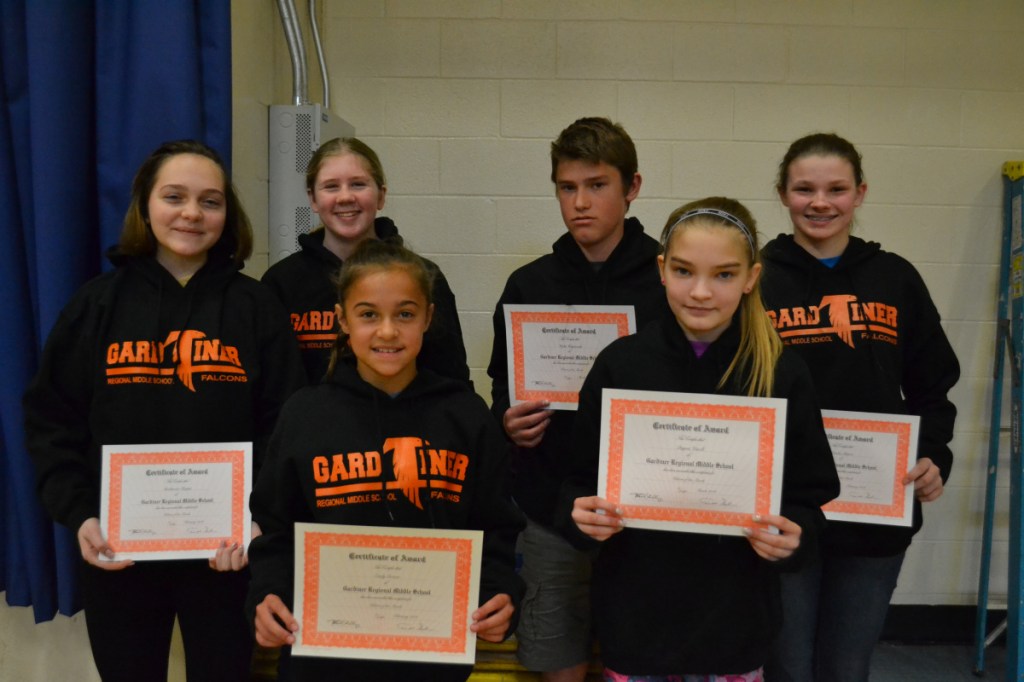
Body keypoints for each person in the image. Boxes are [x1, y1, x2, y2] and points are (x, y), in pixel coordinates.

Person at [23, 140, 306, 681]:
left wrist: (256, 522)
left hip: (228, 556)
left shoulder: (256, 307)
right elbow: (51, 419)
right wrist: (81, 513)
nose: (192, 213)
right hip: (119, 552)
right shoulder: (95, 304)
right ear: (145, 206)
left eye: (211, 201)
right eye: (174, 196)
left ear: (229, 213)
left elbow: (285, 424)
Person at [560, 197, 841, 680]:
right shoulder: (621, 364)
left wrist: (795, 535)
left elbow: (810, 495)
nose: (702, 292)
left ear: (752, 278)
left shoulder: (779, 372)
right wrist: (580, 513)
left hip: (733, 619)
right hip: (638, 615)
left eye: (725, 275)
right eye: (686, 271)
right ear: (662, 270)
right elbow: (573, 478)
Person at [247, 238, 526, 682]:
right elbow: (276, 528)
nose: (388, 332)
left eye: (405, 314)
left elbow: (496, 525)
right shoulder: (305, 414)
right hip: (323, 659)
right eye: (368, 315)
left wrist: (500, 594)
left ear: (429, 319)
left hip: (432, 658)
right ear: (342, 320)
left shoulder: (464, 415)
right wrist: (266, 593)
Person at [760, 133, 961, 682]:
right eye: (804, 188)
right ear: (783, 193)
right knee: (788, 667)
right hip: (784, 507)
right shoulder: (757, 280)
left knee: (846, 668)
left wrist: (933, 455)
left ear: (860, 193)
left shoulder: (895, 278)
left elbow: (932, 383)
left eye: (836, 189)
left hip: (874, 509)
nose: (820, 202)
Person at [486, 117, 671, 681]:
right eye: (567, 188)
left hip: (645, 513)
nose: (580, 203)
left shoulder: (669, 278)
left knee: (638, 662)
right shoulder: (530, 285)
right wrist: (507, 421)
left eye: (597, 185)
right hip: (550, 509)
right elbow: (502, 386)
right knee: (556, 659)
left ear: (632, 186)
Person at [261, 136, 471, 385]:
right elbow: (272, 384)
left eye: (358, 184)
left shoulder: (423, 275)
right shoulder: (282, 282)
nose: (345, 197)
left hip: (407, 422)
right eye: (331, 187)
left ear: (381, 196)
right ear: (313, 199)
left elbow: (451, 376)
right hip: (312, 422)